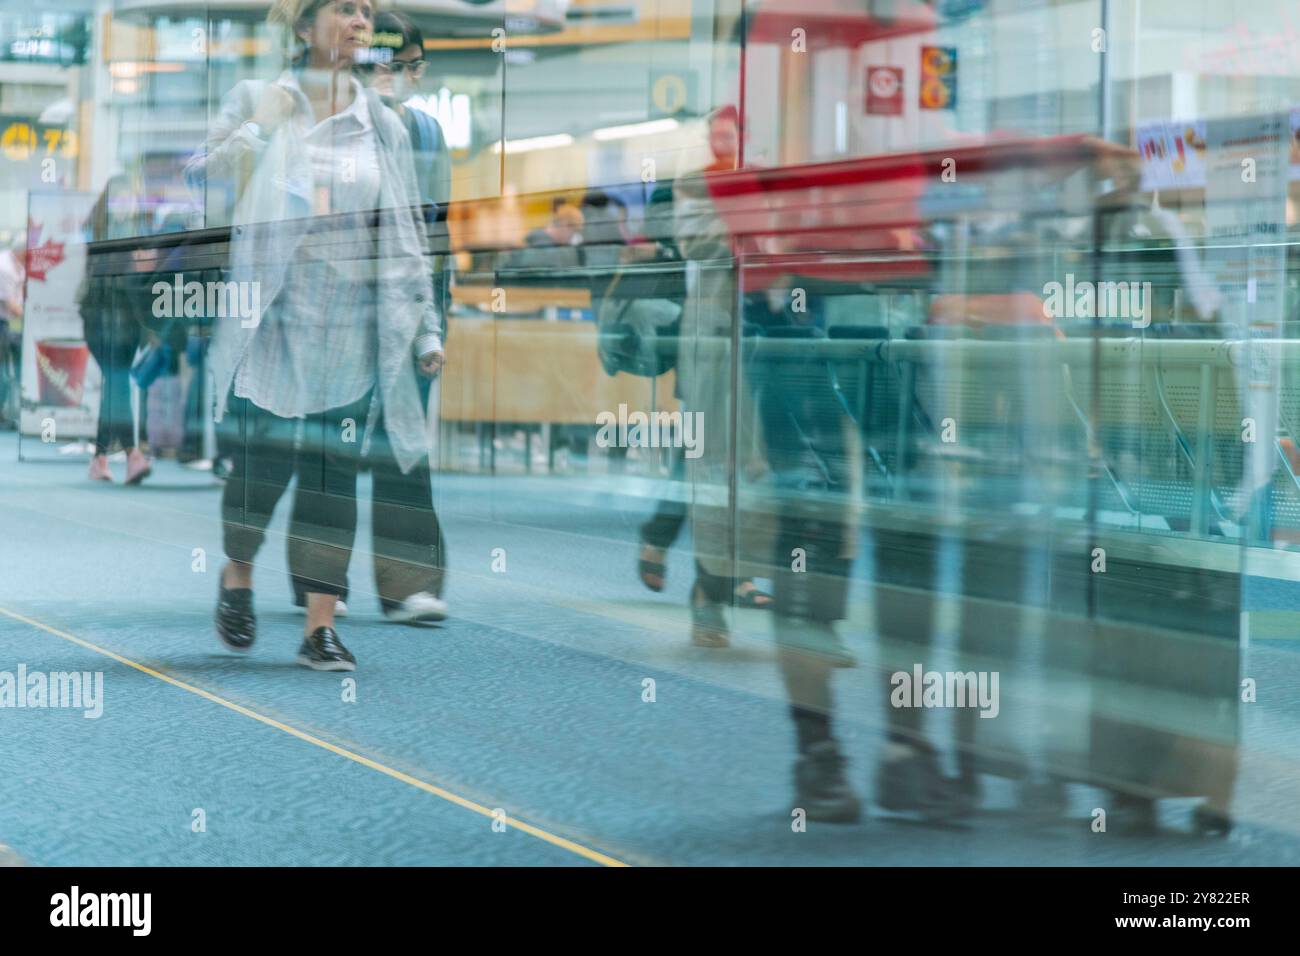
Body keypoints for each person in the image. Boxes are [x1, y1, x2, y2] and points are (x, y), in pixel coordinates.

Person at [184, 0, 445, 671]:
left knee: (335, 478)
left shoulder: (380, 123)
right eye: (343, 8)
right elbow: (197, 182)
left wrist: (426, 332)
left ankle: (319, 625)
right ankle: (237, 574)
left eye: (366, 12)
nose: (360, 21)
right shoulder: (258, 98)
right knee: (261, 470)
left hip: (350, 330)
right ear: (304, 27)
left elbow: (406, 232)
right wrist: (257, 131)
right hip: (269, 324)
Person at [284, 9, 451, 624]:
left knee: (404, 445)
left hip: (404, 310)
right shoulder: (324, 116)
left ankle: (408, 581)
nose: (399, 76)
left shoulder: (426, 133)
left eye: (411, 67)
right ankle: (319, 580)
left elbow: (435, 230)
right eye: (388, 63)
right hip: (329, 308)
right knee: (329, 446)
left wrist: (434, 320)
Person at [78, 174, 153, 484]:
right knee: (119, 382)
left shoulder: (137, 235)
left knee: (114, 385)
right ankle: (133, 455)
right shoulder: (101, 233)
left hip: (128, 322)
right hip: (102, 321)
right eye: (120, 198)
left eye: (130, 198)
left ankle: (99, 459)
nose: (126, 205)